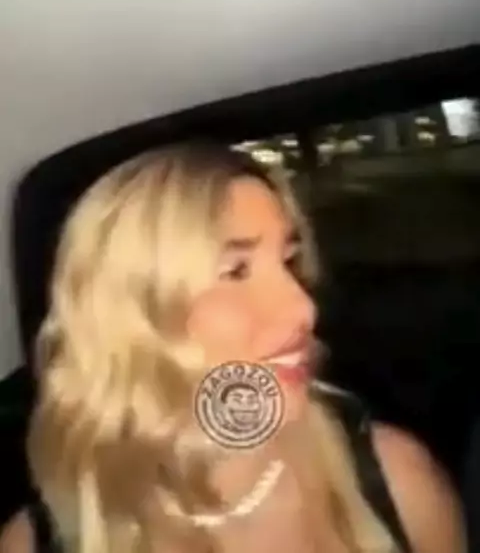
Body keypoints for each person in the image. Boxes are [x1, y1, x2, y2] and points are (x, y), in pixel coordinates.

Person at [0, 143, 466, 553]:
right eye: (236, 271)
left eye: (289, 261)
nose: (303, 308)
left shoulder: (396, 481)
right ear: (130, 315)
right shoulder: (36, 541)